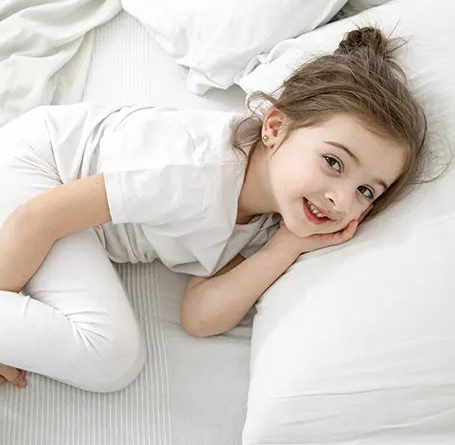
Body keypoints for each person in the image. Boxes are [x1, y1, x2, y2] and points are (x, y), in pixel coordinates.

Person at [0, 27, 427, 392]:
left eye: (367, 191)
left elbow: (200, 316)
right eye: (333, 162)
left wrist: (286, 246)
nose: (343, 200)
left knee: (111, 356)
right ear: (275, 128)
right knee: (110, 354)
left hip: (65, 215)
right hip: (40, 172)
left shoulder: (272, 212)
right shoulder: (195, 169)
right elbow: (38, 217)